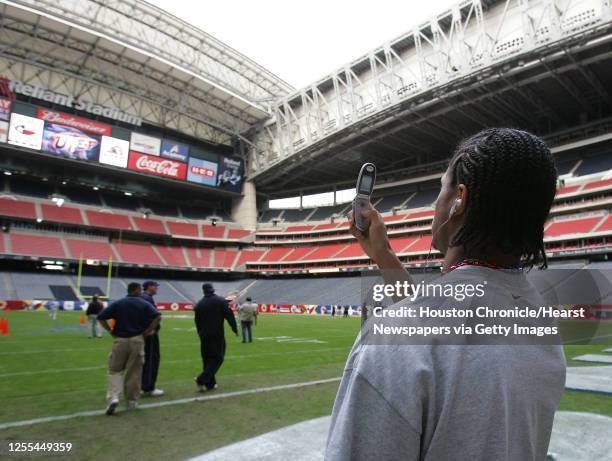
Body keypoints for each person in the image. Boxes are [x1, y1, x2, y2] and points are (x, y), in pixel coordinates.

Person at [325, 128, 566, 460]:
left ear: (459, 200)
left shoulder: (392, 340)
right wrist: (385, 256)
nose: (436, 203)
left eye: (441, 189)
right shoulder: (542, 327)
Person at [97, 282, 160, 415]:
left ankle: (113, 397)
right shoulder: (143, 303)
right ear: (137, 290)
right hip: (137, 340)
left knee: (114, 370)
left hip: (120, 340)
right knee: (134, 372)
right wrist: (148, 331)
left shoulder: (119, 303)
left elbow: (101, 317)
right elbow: (157, 316)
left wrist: (110, 331)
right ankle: (131, 400)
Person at [194, 283, 238, 391]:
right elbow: (229, 315)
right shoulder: (221, 301)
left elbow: (197, 321)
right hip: (216, 334)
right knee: (218, 357)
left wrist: (200, 333)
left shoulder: (199, 304)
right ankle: (202, 379)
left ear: (204, 291)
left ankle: (210, 384)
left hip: (204, 335)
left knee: (207, 359)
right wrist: (234, 329)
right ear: (213, 290)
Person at [140, 280, 164, 397]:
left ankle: (143, 385)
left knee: (145, 360)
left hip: (144, 334)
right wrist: (149, 330)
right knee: (151, 359)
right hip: (149, 335)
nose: (157, 288)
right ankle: (149, 387)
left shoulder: (144, 297)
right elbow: (152, 316)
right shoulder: (147, 298)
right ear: (149, 287)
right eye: (155, 286)